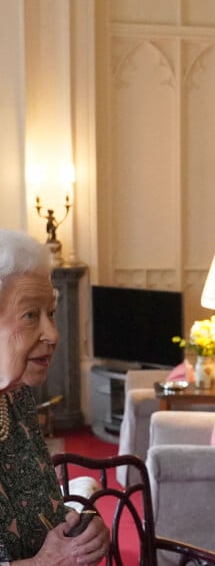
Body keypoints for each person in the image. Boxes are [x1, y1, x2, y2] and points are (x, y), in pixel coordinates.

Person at [0, 228, 110, 564]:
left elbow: (44, 506)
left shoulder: (15, 398)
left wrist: (81, 526)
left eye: (51, 313)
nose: (53, 334)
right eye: (31, 315)